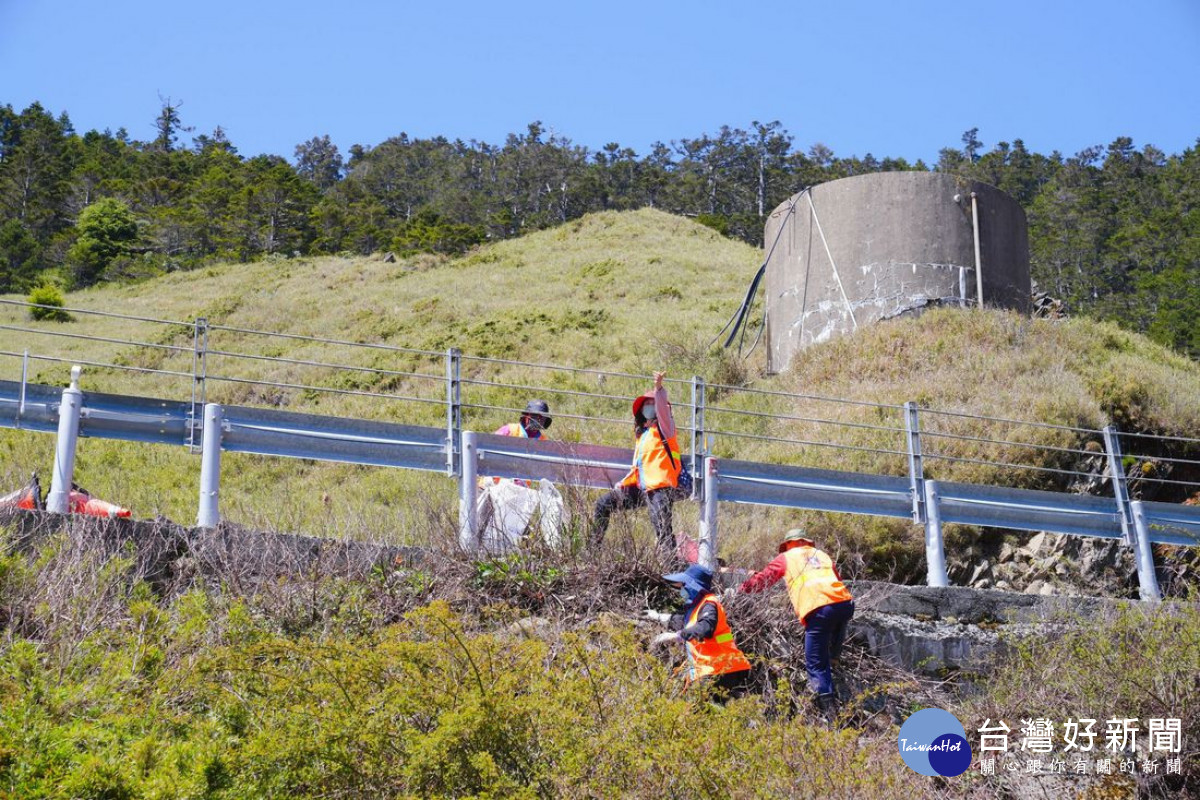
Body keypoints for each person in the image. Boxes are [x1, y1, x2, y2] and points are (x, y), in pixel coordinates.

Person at [735, 529, 854, 718]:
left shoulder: (787, 557)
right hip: (845, 605)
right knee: (832, 643)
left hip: (819, 609)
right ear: (805, 541)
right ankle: (834, 658)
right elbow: (836, 580)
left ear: (789, 543)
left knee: (816, 665)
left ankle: (831, 716)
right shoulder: (822, 555)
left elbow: (763, 579)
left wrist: (741, 591)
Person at [590, 371, 682, 552]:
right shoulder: (643, 436)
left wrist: (659, 389)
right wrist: (622, 484)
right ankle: (592, 550)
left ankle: (672, 570)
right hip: (640, 489)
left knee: (662, 530)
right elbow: (639, 467)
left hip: (660, 490)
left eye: (652, 403)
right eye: (646, 404)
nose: (649, 406)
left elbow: (663, 409)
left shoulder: (666, 428)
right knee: (603, 504)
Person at [644, 563, 752, 699]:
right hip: (714, 669)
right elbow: (684, 621)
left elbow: (705, 627)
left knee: (702, 711)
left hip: (721, 669)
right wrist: (657, 616)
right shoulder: (697, 607)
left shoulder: (709, 604)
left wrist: (677, 636)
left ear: (693, 586)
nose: (682, 590)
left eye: (684, 586)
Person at [487, 399, 552, 488]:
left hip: (520, 490)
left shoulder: (543, 441)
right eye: (535, 415)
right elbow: (486, 450)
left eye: (542, 417)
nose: (538, 420)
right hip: (493, 485)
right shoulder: (509, 430)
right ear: (526, 416)